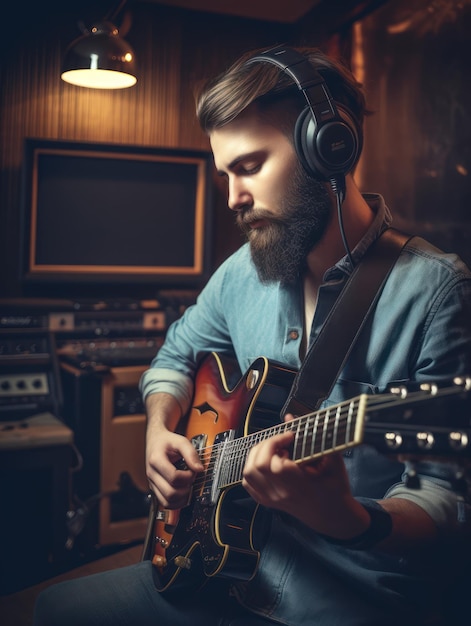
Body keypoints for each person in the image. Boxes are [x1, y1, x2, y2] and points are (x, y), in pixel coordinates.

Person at [34, 45, 471, 626]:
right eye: (225, 174)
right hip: (220, 568)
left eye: (249, 167)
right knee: (55, 608)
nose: (234, 198)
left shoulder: (439, 292)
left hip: (348, 601)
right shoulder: (243, 270)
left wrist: (346, 516)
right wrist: (160, 429)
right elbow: (175, 355)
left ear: (329, 150)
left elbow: (450, 503)